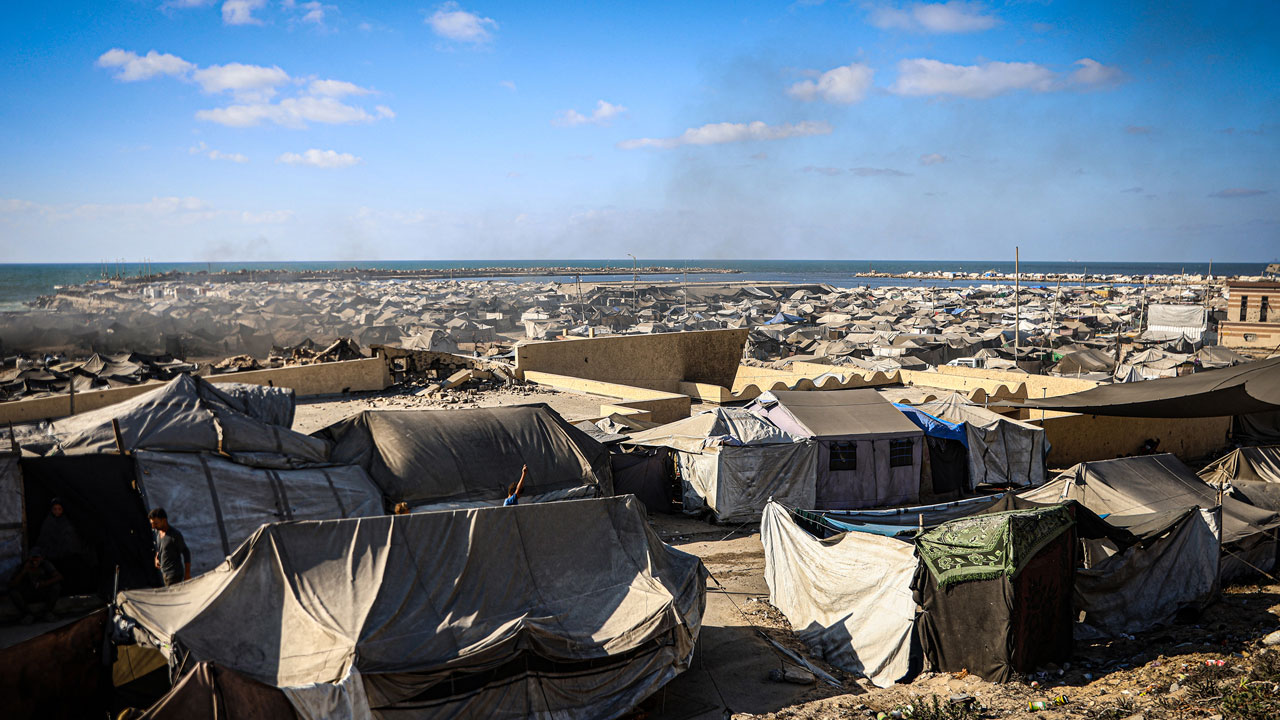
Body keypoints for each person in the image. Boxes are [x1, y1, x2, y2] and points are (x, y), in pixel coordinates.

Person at [35, 497, 90, 594]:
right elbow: (44, 540)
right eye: (55, 509)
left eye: (59, 509)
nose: (57, 512)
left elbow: (73, 540)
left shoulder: (67, 523)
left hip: (67, 556)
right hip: (53, 556)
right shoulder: (48, 523)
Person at [7, 548, 62, 623]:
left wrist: (45, 583)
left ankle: (47, 613)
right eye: (33, 558)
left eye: (37, 558)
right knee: (13, 592)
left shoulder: (45, 564)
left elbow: (59, 577)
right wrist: (23, 571)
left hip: (42, 591)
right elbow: (12, 584)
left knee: (56, 587)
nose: (35, 561)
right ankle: (28, 615)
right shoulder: (24, 566)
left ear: (41, 558)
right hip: (29, 593)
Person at [149, 508, 191, 586]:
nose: (153, 526)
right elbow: (160, 548)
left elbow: (186, 552)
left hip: (174, 575)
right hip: (165, 574)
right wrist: (156, 558)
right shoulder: (159, 534)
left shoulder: (174, 535)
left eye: (156, 523)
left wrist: (187, 574)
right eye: (152, 523)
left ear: (164, 520)